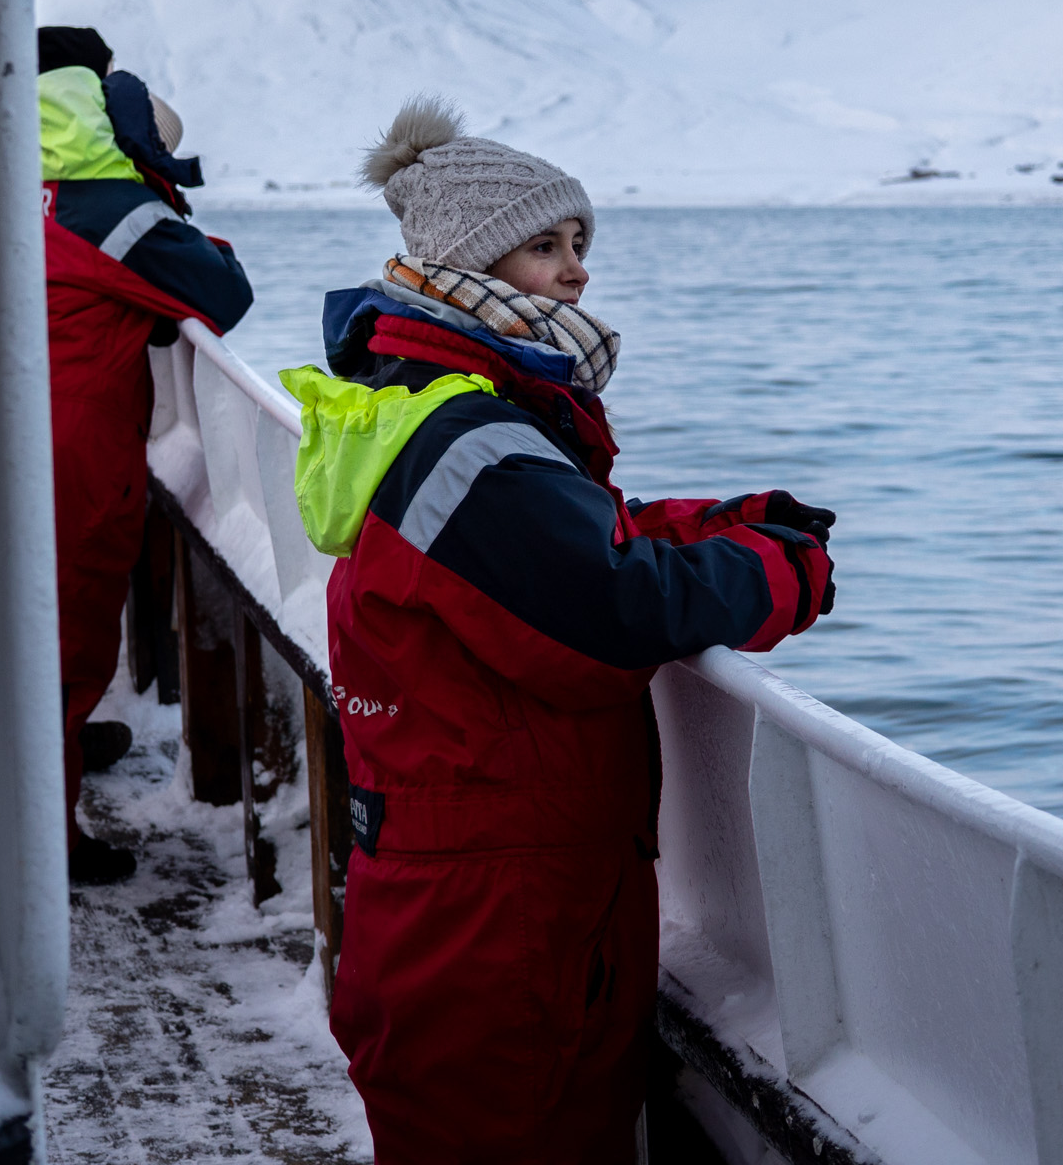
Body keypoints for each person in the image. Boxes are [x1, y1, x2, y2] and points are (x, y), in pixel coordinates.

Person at [282, 98, 836, 1163]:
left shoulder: (432, 406)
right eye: (546, 246)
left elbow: (568, 543)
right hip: (503, 918)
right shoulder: (468, 439)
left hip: (475, 886)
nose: (577, 272)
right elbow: (614, 608)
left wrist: (718, 522)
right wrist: (784, 571)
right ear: (468, 263)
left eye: (580, 243)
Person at [39, 25, 253, 885]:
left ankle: (57, 745)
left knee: (25, 626)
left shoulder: (9, 182)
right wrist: (164, 204)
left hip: (6, 436)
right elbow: (222, 293)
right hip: (72, 456)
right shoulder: (111, 208)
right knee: (65, 630)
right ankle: (49, 843)